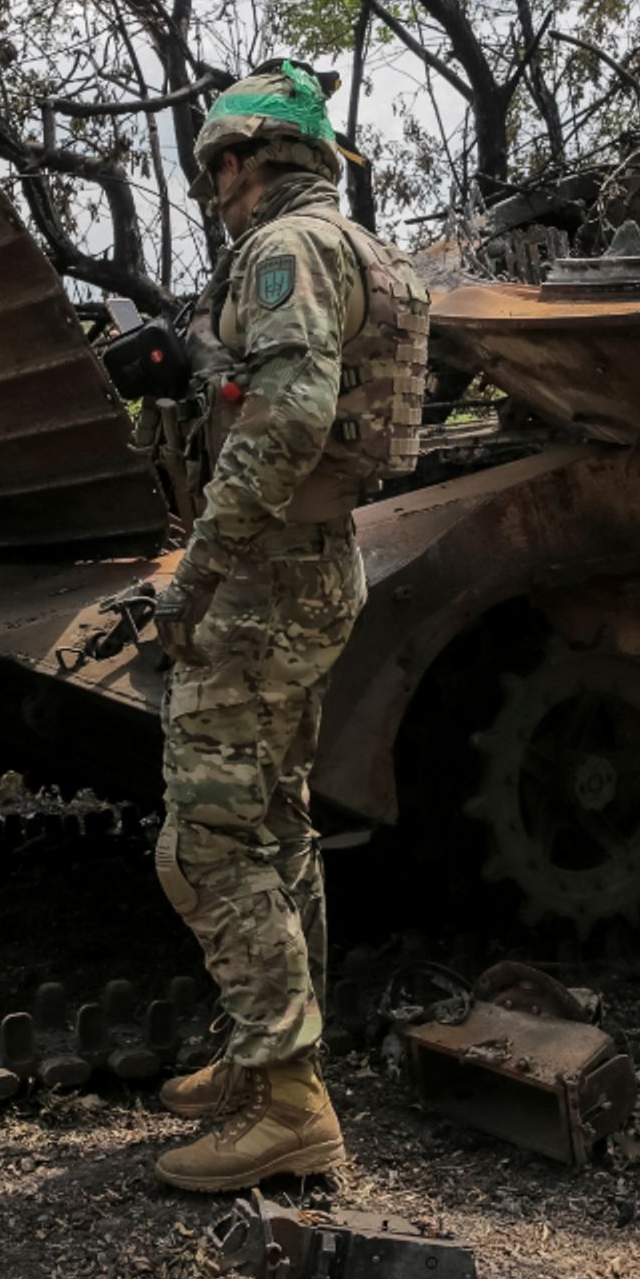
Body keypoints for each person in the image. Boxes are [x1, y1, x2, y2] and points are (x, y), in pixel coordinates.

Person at [144, 61, 430, 1192]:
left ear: (258, 158)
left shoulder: (284, 250)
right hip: (316, 560)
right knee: (272, 821)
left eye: (223, 162)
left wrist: (197, 571)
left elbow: (292, 414)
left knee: (204, 841)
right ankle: (270, 1064)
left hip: (263, 573)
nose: (216, 184)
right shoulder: (358, 246)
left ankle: (292, 1099)